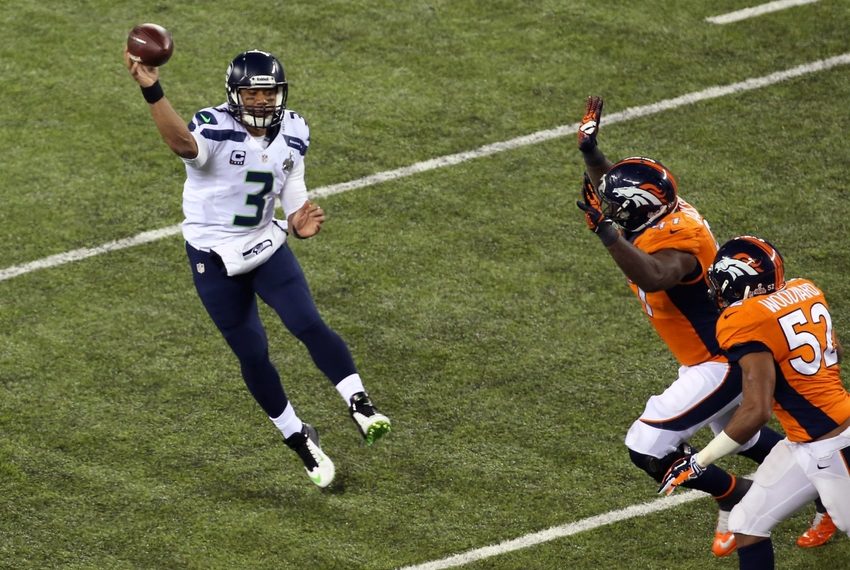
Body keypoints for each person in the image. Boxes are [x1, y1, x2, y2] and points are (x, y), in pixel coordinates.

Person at [124, 48, 391, 488]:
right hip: (213, 254)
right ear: (235, 94)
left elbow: (292, 181)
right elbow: (182, 145)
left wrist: (298, 218)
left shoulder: (295, 129)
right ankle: (298, 438)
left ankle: (360, 404)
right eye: (252, 92)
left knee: (307, 322)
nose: (262, 101)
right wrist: (152, 89)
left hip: (265, 243)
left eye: (269, 93)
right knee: (252, 353)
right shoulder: (212, 125)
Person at [575, 96, 786, 557]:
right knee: (742, 435)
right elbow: (622, 198)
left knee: (647, 445)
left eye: (615, 207)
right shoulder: (659, 210)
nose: (606, 206)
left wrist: (607, 235)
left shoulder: (678, 245)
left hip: (722, 358)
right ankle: (824, 478)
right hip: (705, 354)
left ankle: (737, 494)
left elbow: (652, 274)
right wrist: (591, 154)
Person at [659, 235, 850, 569]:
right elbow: (835, 349)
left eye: (720, 284)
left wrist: (699, 461)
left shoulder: (744, 320)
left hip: (835, 446)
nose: (716, 292)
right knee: (746, 523)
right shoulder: (805, 288)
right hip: (805, 441)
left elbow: (756, 410)